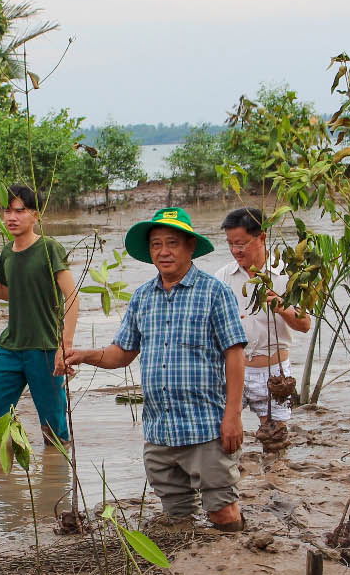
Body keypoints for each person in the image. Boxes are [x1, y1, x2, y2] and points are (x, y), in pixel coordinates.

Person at [66, 207, 249, 532]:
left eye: (172, 243)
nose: (164, 252)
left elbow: (234, 354)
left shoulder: (213, 292)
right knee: (178, 519)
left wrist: (232, 416)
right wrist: (82, 354)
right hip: (160, 432)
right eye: (156, 244)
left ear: (190, 246)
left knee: (223, 514)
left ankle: (236, 570)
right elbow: (121, 354)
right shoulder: (142, 298)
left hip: (205, 428)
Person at [0, 185, 79, 444]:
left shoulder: (49, 249)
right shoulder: (7, 252)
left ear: (35, 215)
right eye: (7, 211)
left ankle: (54, 478)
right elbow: (5, 291)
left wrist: (65, 345)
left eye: (19, 211)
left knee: (54, 433)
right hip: (11, 347)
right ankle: (5, 475)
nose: (11, 217)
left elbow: (72, 296)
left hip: (44, 348)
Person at [219, 207, 312, 424]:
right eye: (230, 244)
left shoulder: (288, 275)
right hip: (233, 371)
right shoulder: (223, 276)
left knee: (275, 442)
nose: (235, 250)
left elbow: (305, 324)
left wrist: (282, 307)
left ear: (261, 237)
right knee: (222, 438)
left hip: (273, 373)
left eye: (240, 244)